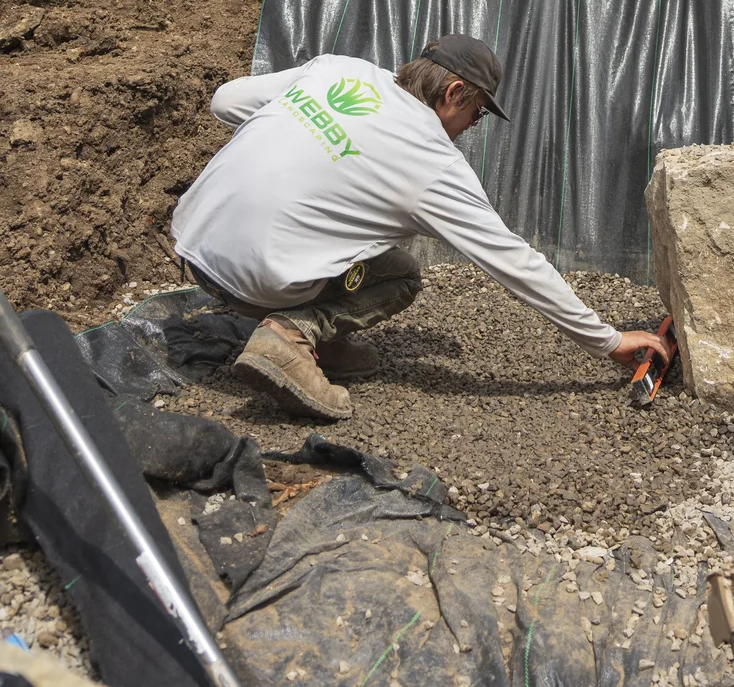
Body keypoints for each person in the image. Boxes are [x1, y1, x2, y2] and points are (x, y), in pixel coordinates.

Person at [171, 35, 673, 422]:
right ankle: (292, 333)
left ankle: (322, 343)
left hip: (193, 245)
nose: (470, 129)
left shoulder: (340, 70)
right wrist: (607, 340)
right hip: (254, 282)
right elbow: (512, 259)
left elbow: (225, 102)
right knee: (401, 274)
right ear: (455, 93)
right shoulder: (431, 162)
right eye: (476, 115)